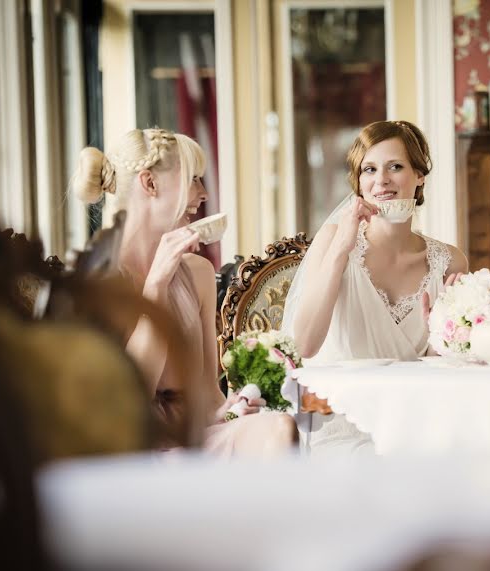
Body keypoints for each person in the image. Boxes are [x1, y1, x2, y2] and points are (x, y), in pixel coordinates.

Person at [71, 127, 296, 456]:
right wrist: (155, 287)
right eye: (193, 179)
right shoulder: (100, 281)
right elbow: (128, 404)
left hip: (193, 443)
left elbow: (206, 393)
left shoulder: (198, 272)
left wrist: (228, 410)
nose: (203, 194)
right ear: (150, 183)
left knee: (279, 427)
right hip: (132, 452)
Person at [282, 120, 468, 455]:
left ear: (419, 176)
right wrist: (341, 248)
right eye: (369, 169)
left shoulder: (450, 262)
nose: (381, 180)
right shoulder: (334, 240)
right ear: (359, 183)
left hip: (416, 424)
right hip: (339, 424)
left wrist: (444, 337)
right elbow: (305, 345)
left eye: (395, 167)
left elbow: (440, 372)